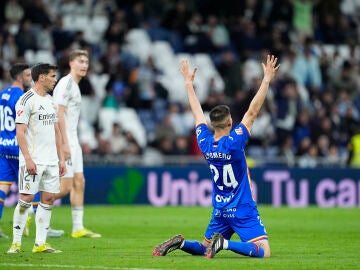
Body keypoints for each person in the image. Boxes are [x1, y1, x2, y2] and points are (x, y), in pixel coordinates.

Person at [152, 55, 279, 259]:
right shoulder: (235, 143)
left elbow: (196, 113)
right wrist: (266, 80)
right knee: (264, 251)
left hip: (220, 209)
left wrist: (187, 83)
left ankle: (181, 242)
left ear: (213, 124)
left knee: (204, 247)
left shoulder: (205, 142)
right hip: (242, 208)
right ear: (230, 122)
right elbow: (252, 112)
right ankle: (225, 243)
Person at [7, 63, 66, 253]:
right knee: (26, 197)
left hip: (51, 160)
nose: (55, 80)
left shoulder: (50, 101)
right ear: (41, 77)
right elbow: (20, 133)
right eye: (52, 76)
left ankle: (40, 243)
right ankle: (15, 243)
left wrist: (61, 159)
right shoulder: (26, 100)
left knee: (48, 198)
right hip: (33, 159)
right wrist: (27, 159)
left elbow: (56, 131)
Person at [52, 49, 101, 238]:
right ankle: (33, 207)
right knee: (64, 187)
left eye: (86, 62)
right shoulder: (65, 83)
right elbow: (58, 114)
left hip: (73, 139)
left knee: (79, 182)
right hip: (66, 140)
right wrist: (63, 144)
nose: (84, 65)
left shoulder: (75, 85)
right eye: (80, 61)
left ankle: (77, 227)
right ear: (71, 63)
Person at [0, 63, 32, 239]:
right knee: (32, 183)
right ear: (19, 77)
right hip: (18, 146)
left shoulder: (2, 94)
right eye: (27, 75)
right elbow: (24, 124)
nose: (30, 78)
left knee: (2, 187)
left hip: (2, 146)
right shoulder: (21, 97)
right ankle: (30, 221)